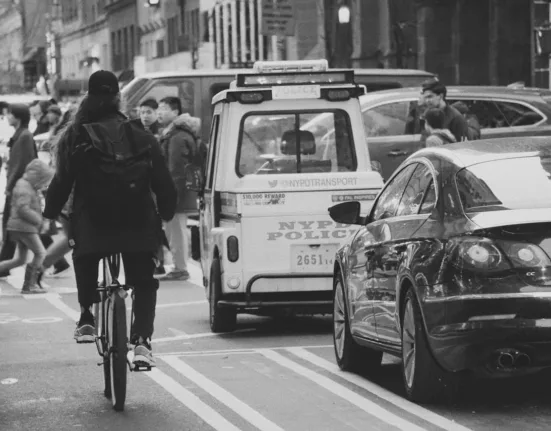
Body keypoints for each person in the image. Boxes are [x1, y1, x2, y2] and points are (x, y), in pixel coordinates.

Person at [44, 70, 177, 366]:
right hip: (139, 223)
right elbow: (164, 185)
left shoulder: (76, 136)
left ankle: (87, 316)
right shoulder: (142, 135)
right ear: (119, 98)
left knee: (84, 255)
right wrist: (165, 214)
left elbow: (62, 182)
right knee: (143, 282)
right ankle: (142, 342)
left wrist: (49, 214)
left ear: (88, 98)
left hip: (94, 224)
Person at [157, 97, 202, 281]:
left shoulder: (177, 137)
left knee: (176, 229)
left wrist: (171, 195)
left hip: (176, 192)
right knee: (175, 229)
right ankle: (179, 266)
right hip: (178, 191)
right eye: (159, 108)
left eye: (164, 108)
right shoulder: (176, 134)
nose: (160, 112)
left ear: (175, 112)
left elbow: (176, 169)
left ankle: (180, 268)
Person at [0, 159, 53, 294]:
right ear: (36, 177)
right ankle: (29, 285)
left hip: (19, 226)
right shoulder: (25, 187)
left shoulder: (25, 185)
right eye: (42, 180)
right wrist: (38, 220)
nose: (42, 184)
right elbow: (23, 208)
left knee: (20, 259)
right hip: (24, 227)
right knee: (40, 253)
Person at [0, 104, 38, 277]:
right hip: (18, 187)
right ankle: (3, 265)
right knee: (17, 224)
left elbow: (23, 164)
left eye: (10, 114)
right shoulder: (20, 136)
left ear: (18, 117)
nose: (7, 117)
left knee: (13, 224)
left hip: (18, 189)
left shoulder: (25, 136)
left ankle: (3, 265)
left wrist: (11, 187)